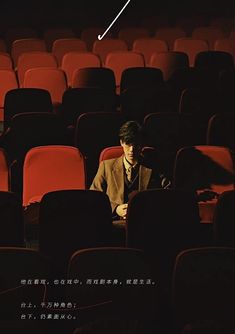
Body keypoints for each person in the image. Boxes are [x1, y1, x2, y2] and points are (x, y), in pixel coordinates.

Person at [90, 121, 171, 219]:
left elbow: (168, 194)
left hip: (145, 222)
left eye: (136, 145)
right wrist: (115, 209)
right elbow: (93, 197)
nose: (132, 149)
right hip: (114, 223)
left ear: (142, 145)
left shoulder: (153, 166)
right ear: (121, 143)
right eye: (128, 144)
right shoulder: (106, 166)